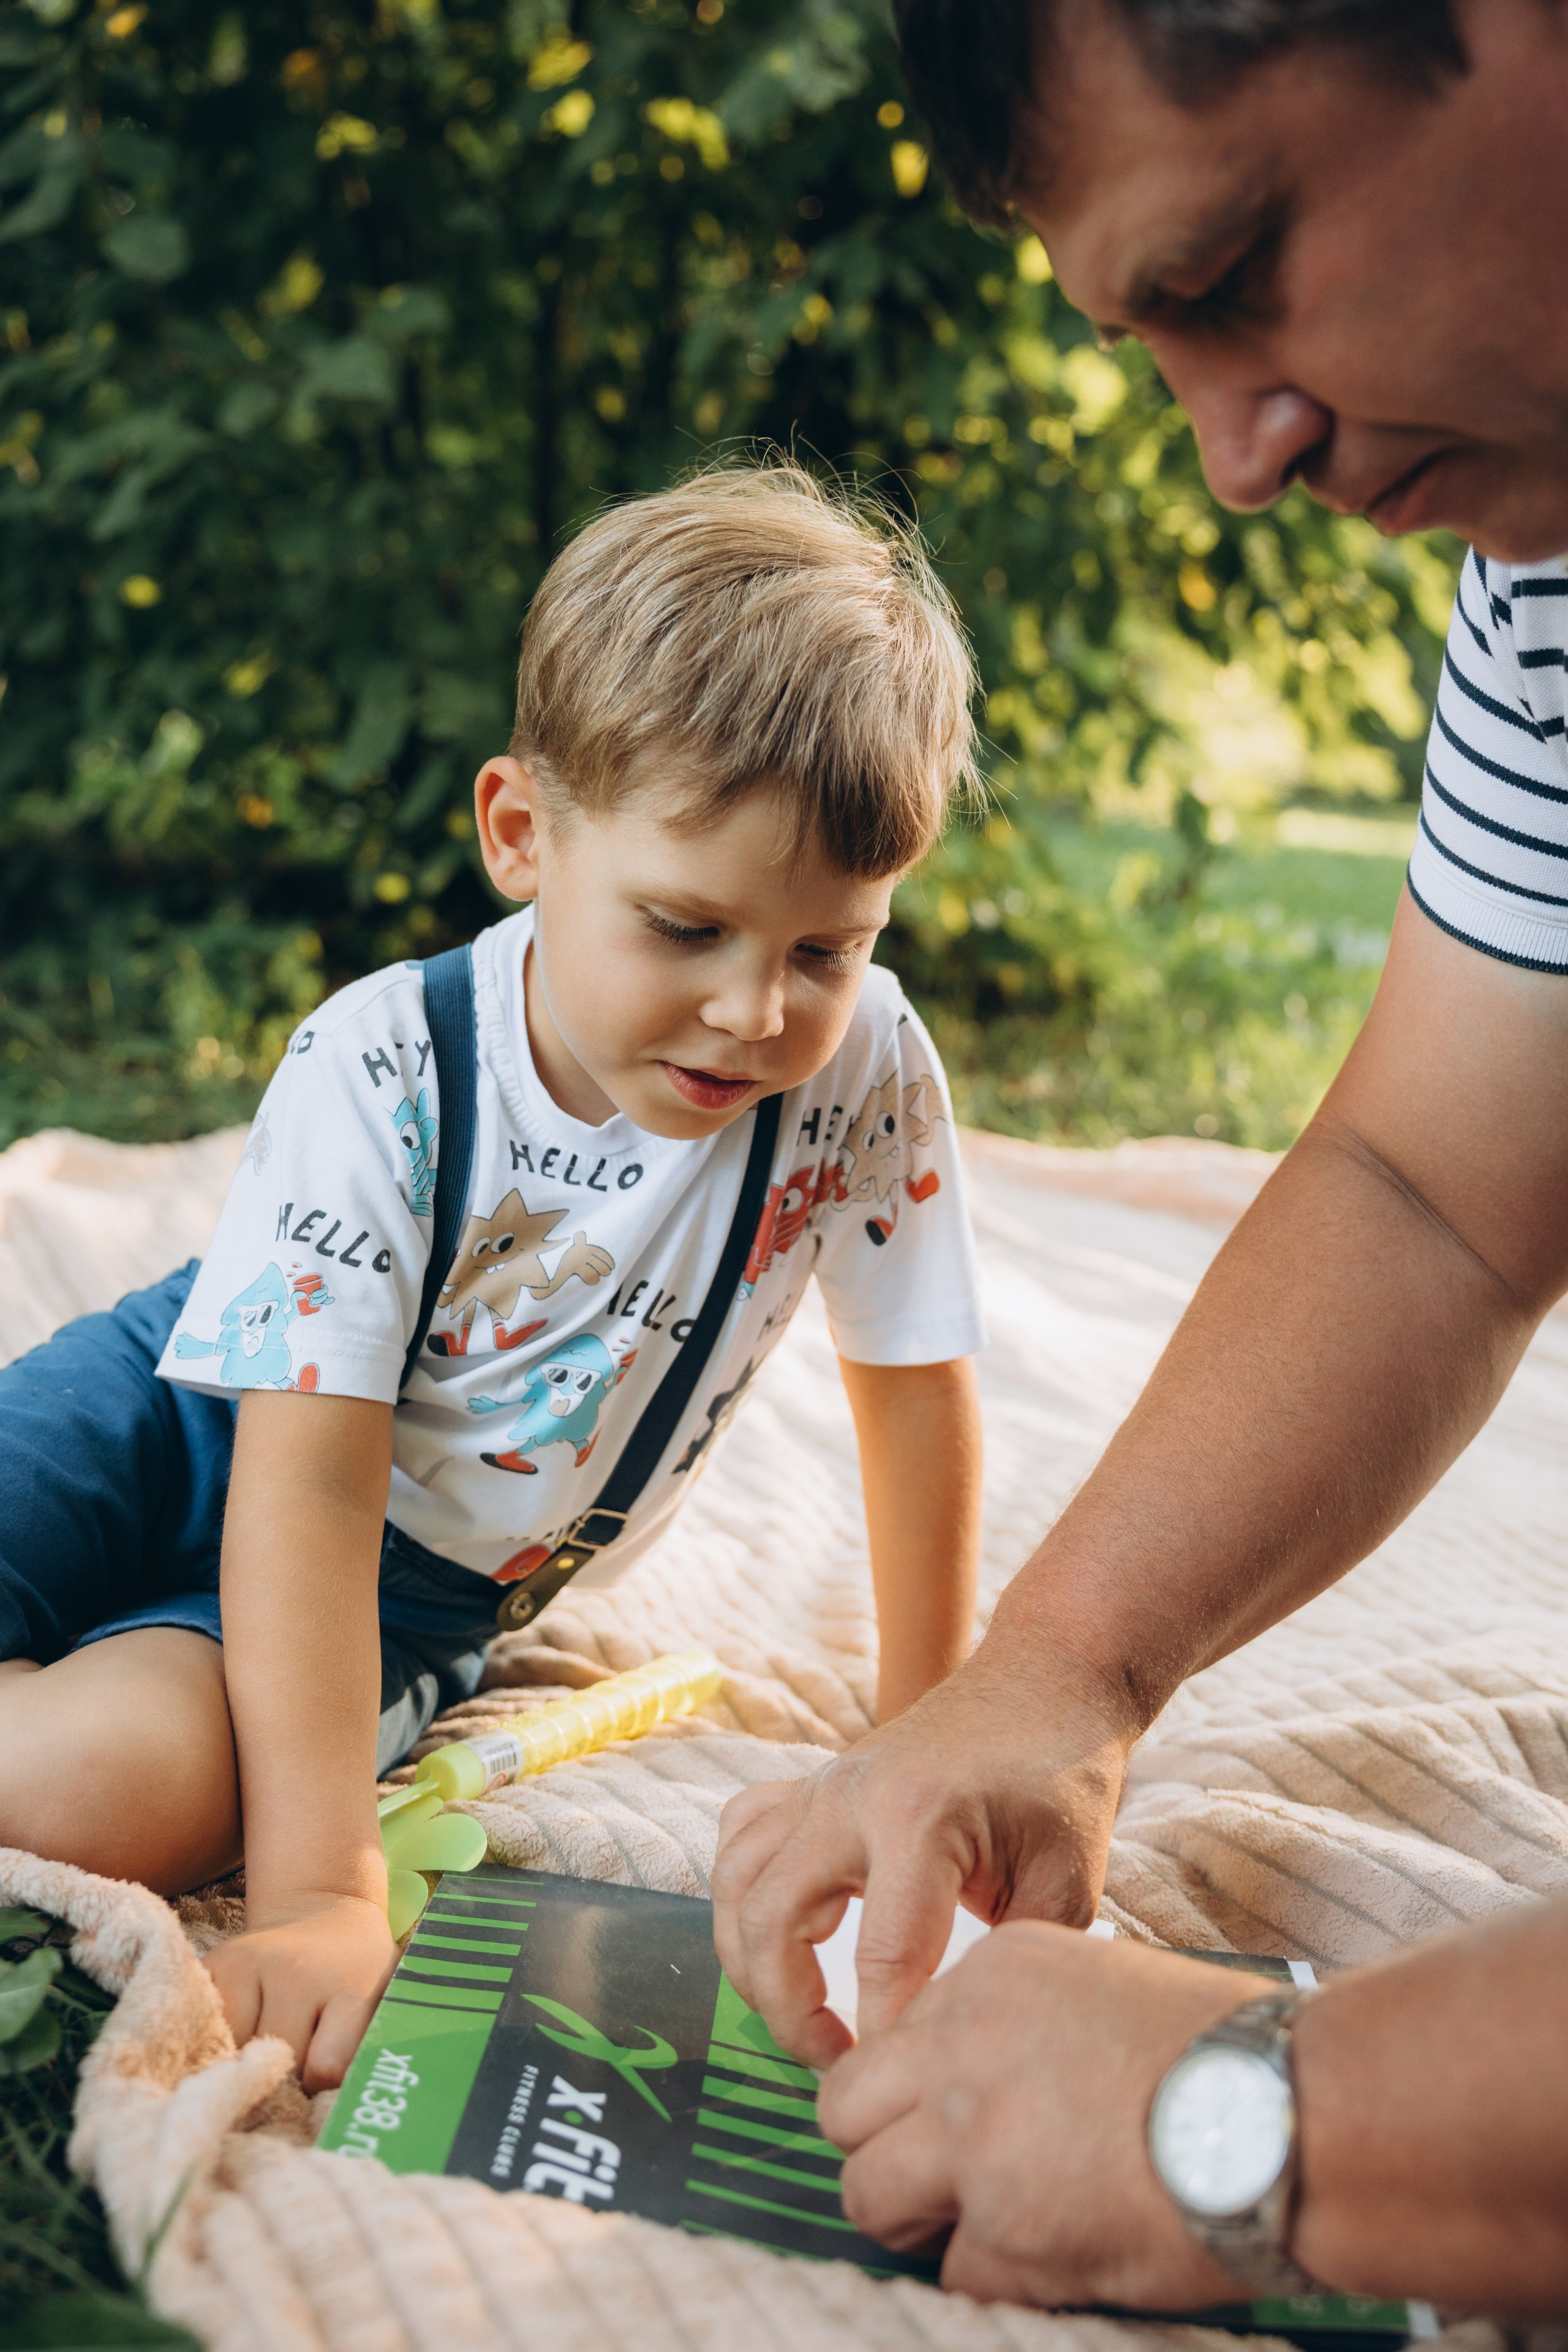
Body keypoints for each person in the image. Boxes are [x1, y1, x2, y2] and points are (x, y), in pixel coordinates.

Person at [712, 0, 1568, 2315]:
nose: (1238, 453)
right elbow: (1444, 1183)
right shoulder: (1554, 570)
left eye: (1246, 263)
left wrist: (1247, 2124)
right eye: (1154, 346)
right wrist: (1057, 1672)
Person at [0, 462, 986, 2090]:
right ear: (525, 833)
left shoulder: (864, 1076)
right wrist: (325, 1890)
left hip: (415, 1585)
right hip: (182, 1408)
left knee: (94, 1795)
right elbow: (297, 1479)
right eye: (685, 929)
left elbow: (917, 1400)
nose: (756, 1007)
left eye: (827, 947)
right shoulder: (383, 1063)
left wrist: (931, 1730)